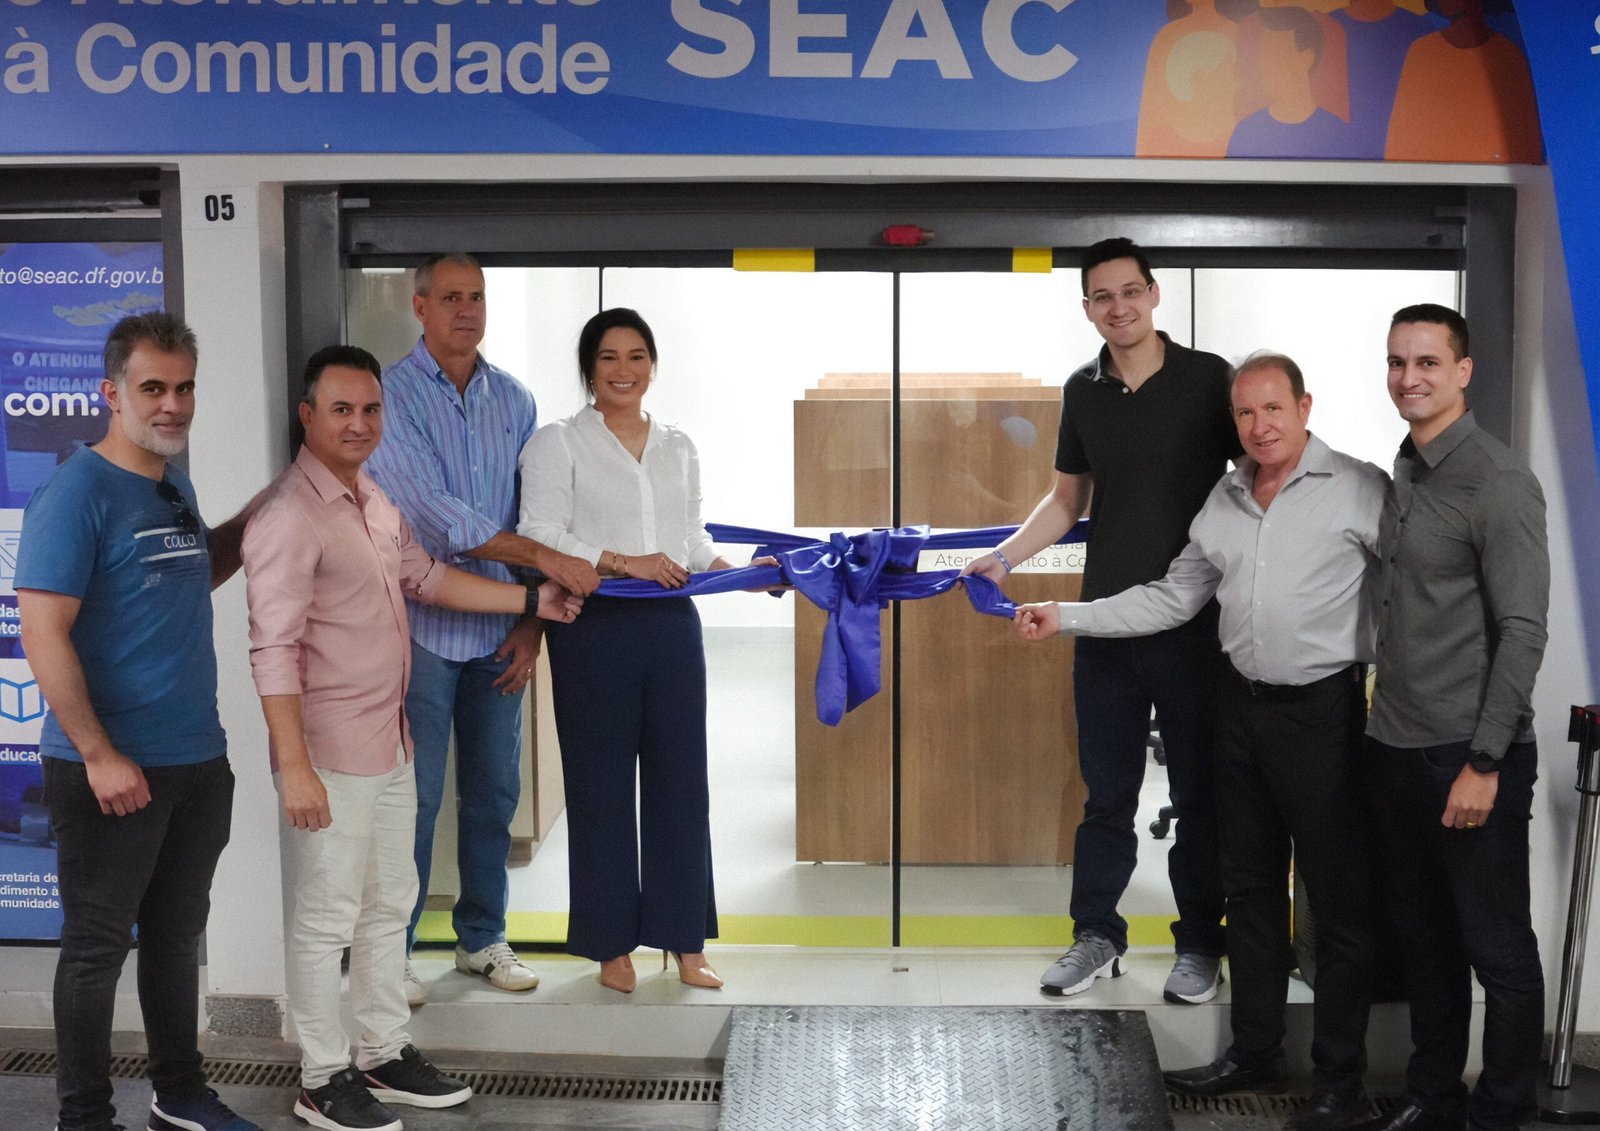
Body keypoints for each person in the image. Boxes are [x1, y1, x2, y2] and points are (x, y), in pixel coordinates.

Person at [1017, 352, 1386, 1131]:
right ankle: (1254, 1051)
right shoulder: (1225, 498)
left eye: (1273, 409)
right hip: (1240, 709)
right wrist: (1067, 615)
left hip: (1321, 714)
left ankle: (1339, 1081)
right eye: (1245, 413)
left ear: (1304, 407)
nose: (1259, 426)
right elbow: (1172, 597)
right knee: (1248, 886)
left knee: (1335, 900)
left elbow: (1411, 586)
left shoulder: (1359, 488)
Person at [243, 347, 582, 1131]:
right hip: (330, 753)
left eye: (370, 409)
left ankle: (382, 1050)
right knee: (328, 915)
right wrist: (294, 764)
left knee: (388, 903)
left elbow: (427, 577)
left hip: (390, 741)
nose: (359, 423)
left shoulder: (372, 500)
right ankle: (321, 1076)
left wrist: (532, 601)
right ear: (308, 415)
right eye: (341, 409)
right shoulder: (289, 516)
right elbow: (272, 649)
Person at [964, 236, 1238, 1003]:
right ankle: (1097, 936)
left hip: (1195, 627)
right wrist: (1002, 558)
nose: (1119, 307)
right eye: (1102, 296)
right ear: (1087, 308)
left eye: (1130, 291)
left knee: (1198, 797)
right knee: (1106, 794)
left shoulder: (1208, 379)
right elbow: (1066, 501)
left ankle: (1201, 944)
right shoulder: (1082, 390)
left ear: (1154, 294)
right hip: (1104, 625)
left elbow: (1251, 483)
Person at [16, 313, 262, 1131]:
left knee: (174, 936)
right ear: (111, 392)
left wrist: (264, 513)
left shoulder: (170, 483)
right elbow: (42, 633)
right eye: (153, 387)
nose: (172, 404)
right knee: (95, 949)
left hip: (196, 760)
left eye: (184, 387)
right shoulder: (76, 494)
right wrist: (98, 753)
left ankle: (179, 1093)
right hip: (111, 768)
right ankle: (83, 1118)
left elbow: (192, 571)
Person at [365, 253, 600, 1006]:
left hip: (503, 629)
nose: (467, 310)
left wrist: (532, 622)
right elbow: (433, 517)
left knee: (495, 795)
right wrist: (544, 562)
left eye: (477, 296)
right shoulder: (390, 397)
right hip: (423, 632)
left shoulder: (515, 400)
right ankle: (393, 953)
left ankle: (481, 938)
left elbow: (537, 515)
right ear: (420, 306)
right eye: (451, 297)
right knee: (415, 799)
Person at [518, 307, 772, 994]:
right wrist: (620, 561)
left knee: (681, 784)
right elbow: (538, 532)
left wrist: (747, 575)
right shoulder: (557, 443)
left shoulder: (677, 445)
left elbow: (690, 543)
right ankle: (610, 945)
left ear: (653, 366)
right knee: (599, 787)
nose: (623, 370)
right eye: (608, 357)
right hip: (593, 628)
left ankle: (686, 941)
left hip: (670, 629)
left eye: (636, 357)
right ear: (588, 369)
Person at [1353, 305, 1548, 1131]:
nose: (1409, 378)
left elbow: (1524, 630)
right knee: (1424, 942)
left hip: (1467, 755)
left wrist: (1485, 760)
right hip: (1394, 746)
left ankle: (1501, 1110)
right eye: (1397, 362)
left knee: (1495, 946)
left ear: (1463, 371)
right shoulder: (1406, 467)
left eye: (1428, 362)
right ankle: (1432, 1098)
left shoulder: (1497, 481)